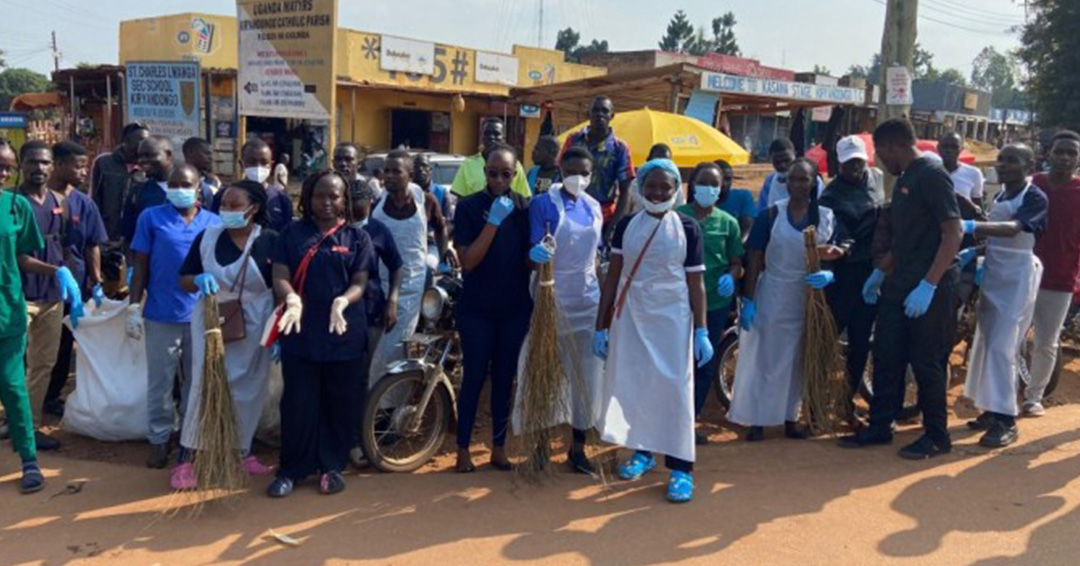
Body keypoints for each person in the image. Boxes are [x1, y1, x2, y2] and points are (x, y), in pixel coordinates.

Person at [841, 118, 962, 459]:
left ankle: (937, 436)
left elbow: (953, 233)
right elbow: (909, 238)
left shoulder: (932, 175)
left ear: (891, 147)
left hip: (932, 285)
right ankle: (881, 425)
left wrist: (929, 284)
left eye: (879, 154)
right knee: (886, 352)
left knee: (926, 361)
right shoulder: (906, 178)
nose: (880, 162)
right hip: (900, 280)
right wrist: (880, 272)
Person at [594, 158, 712, 504]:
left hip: (673, 320)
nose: (658, 192)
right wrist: (601, 327)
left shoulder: (688, 228)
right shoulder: (627, 225)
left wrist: (701, 329)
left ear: (676, 190)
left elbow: (697, 284)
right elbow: (613, 276)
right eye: (652, 186)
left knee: (675, 390)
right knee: (637, 386)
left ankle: (681, 468)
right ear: (642, 187)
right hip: (631, 316)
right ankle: (643, 452)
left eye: (666, 187)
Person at [268, 169, 373, 497]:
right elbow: (280, 275)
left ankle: (331, 467)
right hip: (301, 333)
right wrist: (291, 299)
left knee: (339, 403)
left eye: (334, 196)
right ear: (308, 198)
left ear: (344, 201)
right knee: (298, 404)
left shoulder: (357, 239)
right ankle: (291, 470)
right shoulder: (291, 234)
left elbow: (360, 282)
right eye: (319, 195)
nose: (327, 202)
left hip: (343, 334)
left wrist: (344, 300)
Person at [171, 180, 278, 489]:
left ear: (253, 208)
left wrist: (279, 331)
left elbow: (282, 283)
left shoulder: (269, 241)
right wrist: (198, 279)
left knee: (249, 389)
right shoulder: (207, 238)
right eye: (224, 206)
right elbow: (184, 279)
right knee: (206, 386)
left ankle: (240, 451)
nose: (227, 211)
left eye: (235, 205)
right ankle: (189, 457)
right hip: (212, 321)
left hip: (256, 324)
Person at [729, 159, 835, 441]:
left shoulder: (825, 216)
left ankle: (790, 418)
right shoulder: (771, 215)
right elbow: (755, 257)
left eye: (804, 179)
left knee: (798, 361)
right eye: (793, 179)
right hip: (773, 294)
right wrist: (749, 300)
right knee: (766, 359)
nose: (798, 185)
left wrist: (829, 274)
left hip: (807, 297)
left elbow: (837, 252)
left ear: (814, 183)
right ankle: (758, 420)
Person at [1, 138, 82, 493]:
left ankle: (29, 461)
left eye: (6, 167)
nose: (3, 172)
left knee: (15, 385)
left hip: (8, 312)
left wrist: (56, 272)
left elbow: (21, 256)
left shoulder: (13, 205)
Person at [127, 165, 221, 469]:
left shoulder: (213, 222)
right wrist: (133, 306)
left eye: (186, 184)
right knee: (160, 382)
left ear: (199, 188)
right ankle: (158, 438)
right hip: (161, 313)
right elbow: (140, 264)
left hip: (200, 314)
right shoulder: (151, 218)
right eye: (174, 184)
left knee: (197, 382)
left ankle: (189, 438)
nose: (179, 188)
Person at [521, 146, 603, 473]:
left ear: (591, 174)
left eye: (584, 173)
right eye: (571, 172)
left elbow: (594, 255)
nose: (578, 179)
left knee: (586, 377)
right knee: (545, 370)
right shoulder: (544, 204)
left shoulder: (594, 207)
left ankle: (578, 448)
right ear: (560, 171)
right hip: (550, 297)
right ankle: (540, 446)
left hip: (588, 299)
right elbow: (531, 253)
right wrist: (536, 255)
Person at [452, 143, 533, 473]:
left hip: (513, 309)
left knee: (505, 378)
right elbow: (468, 261)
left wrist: (538, 254)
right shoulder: (469, 208)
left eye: (506, 174)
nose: (499, 179)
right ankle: (462, 449)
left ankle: (499, 448)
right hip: (476, 309)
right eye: (493, 173)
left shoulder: (524, 208)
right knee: (474, 378)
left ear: (515, 175)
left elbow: (528, 258)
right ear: (484, 172)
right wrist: (493, 224)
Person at [961, 143, 1047, 448]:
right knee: (985, 342)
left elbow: (1014, 229)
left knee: (1003, 347)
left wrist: (972, 225)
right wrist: (975, 250)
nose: (1004, 164)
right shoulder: (999, 194)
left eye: (1012, 161)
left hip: (1018, 277)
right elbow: (998, 237)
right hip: (995, 273)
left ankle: (1007, 419)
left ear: (1028, 165)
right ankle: (990, 407)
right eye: (1002, 159)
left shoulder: (1033, 196)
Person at [15, 140, 87, 452]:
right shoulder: (11, 203)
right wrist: (55, 271)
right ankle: (15, 423)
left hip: (52, 297)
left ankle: (27, 427)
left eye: (45, 163)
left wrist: (75, 283)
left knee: (43, 364)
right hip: (18, 295)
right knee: (12, 364)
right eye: (33, 162)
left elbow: (68, 247)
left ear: (52, 166)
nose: (39, 169)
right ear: (22, 165)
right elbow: (16, 256)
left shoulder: (59, 202)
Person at [676, 161, 744, 444]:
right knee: (676, 363)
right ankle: (669, 421)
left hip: (714, 304)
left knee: (703, 364)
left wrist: (731, 276)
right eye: (703, 183)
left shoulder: (728, 223)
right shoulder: (677, 216)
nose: (709, 189)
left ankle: (689, 422)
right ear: (693, 186)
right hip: (678, 302)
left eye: (714, 185)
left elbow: (737, 262)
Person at [367, 150, 448, 383]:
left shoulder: (427, 201)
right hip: (382, 282)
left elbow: (441, 228)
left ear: (410, 175)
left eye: (396, 171)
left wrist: (442, 259)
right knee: (378, 345)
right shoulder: (377, 205)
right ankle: (376, 400)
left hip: (413, 284)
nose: (389, 176)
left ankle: (392, 404)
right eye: (386, 171)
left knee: (399, 343)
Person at [819, 135, 883, 418]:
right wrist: (843, 250)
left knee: (860, 342)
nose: (855, 169)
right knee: (827, 339)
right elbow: (837, 232)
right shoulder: (831, 196)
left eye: (858, 162)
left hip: (871, 274)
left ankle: (848, 400)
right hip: (842, 276)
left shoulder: (877, 179)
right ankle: (816, 402)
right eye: (849, 164)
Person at [44, 141, 108, 418]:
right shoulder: (36, 198)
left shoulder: (84, 203)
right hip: (41, 286)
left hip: (75, 287)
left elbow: (92, 244)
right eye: (78, 166)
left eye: (85, 166)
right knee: (35, 345)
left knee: (64, 343)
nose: (83, 172)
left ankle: (51, 396)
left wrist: (96, 281)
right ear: (58, 165)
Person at [346, 180, 403, 468]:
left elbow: (397, 265)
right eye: (350, 201)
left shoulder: (378, 231)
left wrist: (392, 300)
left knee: (362, 378)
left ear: (370, 203)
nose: (354, 208)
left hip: (371, 314)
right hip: (339, 316)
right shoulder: (337, 230)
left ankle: (357, 440)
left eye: (360, 202)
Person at [1025, 130, 1080, 416]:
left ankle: (1034, 397)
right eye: (1060, 151)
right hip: (1023, 274)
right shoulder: (1034, 184)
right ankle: (1003, 395)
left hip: (1060, 279)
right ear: (1049, 153)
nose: (1065, 157)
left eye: (1072, 153)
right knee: (1011, 338)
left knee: (1047, 342)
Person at [561, 96, 635, 237]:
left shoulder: (620, 148)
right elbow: (560, 175)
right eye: (595, 110)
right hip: (570, 212)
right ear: (588, 113)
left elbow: (626, 191)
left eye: (604, 111)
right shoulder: (573, 140)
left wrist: (613, 227)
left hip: (604, 218)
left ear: (611, 116)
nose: (600, 114)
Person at [213, 139, 293, 232]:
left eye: (264, 162)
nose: (258, 167)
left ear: (271, 165)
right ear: (241, 164)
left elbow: (286, 234)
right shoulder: (224, 196)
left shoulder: (281, 199)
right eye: (252, 162)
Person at [91, 122, 148, 242]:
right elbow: (94, 198)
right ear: (126, 141)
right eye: (141, 140)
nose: (144, 145)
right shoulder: (104, 163)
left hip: (134, 238)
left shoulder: (148, 167)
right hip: (107, 234)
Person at [451, 117, 531, 198]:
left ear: (503, 137)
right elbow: (457, 196)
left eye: (496, 134)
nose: (491, 137)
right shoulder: (468, 164)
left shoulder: (514, 165)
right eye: (487, 133)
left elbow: (524, 198)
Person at [122, 136, 177, 244]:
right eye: (140, 156)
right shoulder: (138, 193)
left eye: (149, 155)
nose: (142, 161)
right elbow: (129, 238)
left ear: (168, 155)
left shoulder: (194, 190)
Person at [757, 138, 825, 212]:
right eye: (777, 162)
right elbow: (762, 210)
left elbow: (820, 207)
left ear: (795, 154)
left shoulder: (812, 179)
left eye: (787, 160)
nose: (782, 165)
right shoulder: (770, 181)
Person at [939, 132, 984, 209]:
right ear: (938, 148)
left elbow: (978, 208)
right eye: (945, 146)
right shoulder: (929, 172)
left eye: (954, 147)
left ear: (961, 149)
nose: (949, 150)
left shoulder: (974, 173)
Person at [714, 159, 756, 239]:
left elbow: (747, 228)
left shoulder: (742, 196)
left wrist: (737, 248)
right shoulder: (703, 201)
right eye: (720, 179)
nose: (724, 184)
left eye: (728, 179)